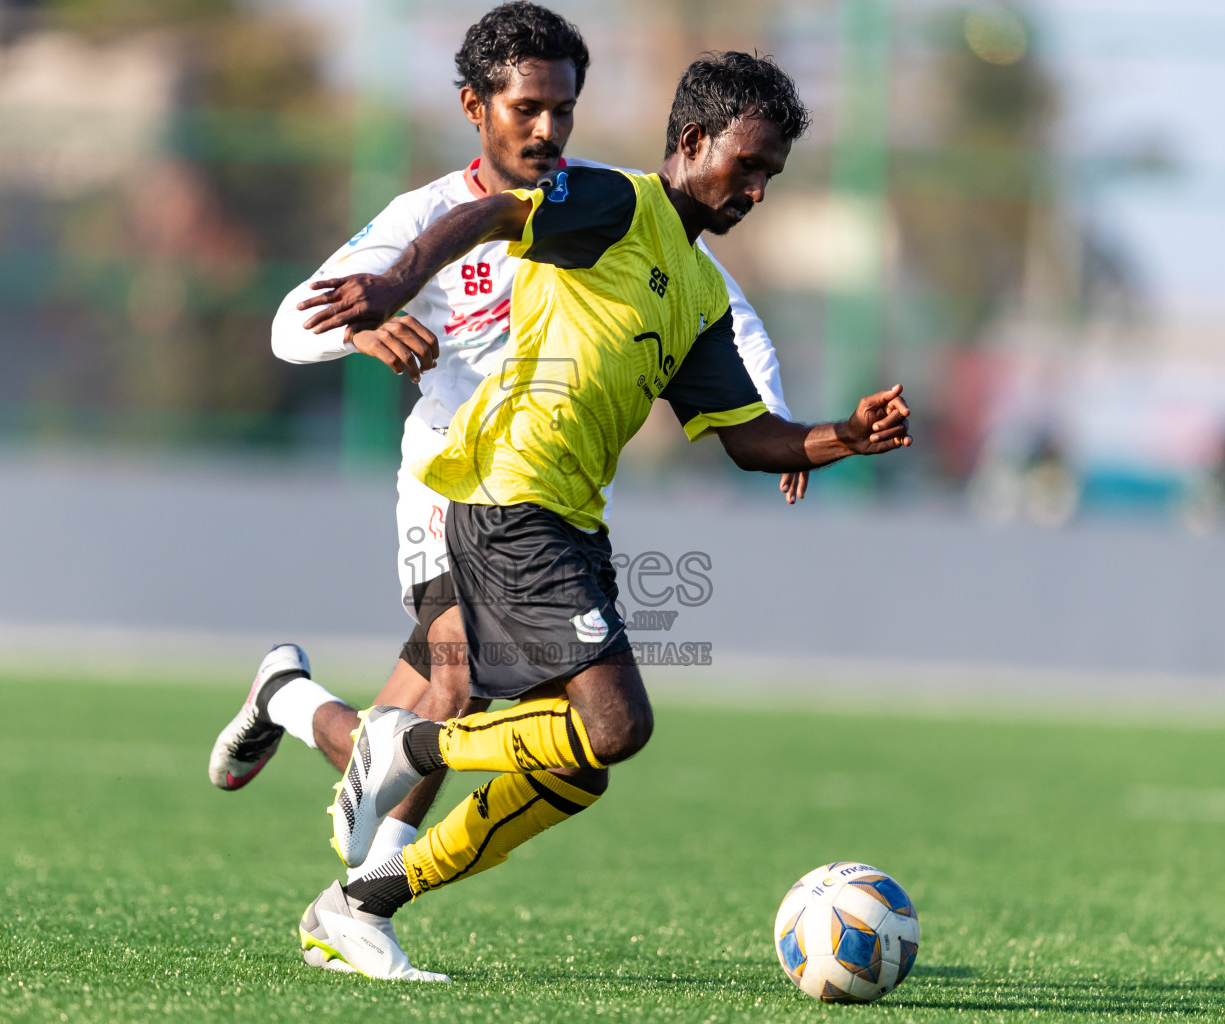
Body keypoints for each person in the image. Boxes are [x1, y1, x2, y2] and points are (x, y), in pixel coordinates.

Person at [291, 51, 913, 981]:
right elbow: (493, 213)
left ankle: (360, 904)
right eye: (747, 165)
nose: (756, 191)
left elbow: (750, 439)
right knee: (619, 726)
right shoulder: (616, 203)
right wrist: (388, 284)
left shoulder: (699, 292)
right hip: (510, 496)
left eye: (771, 177)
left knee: (574, 769)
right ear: (693, 142)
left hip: (570, 521)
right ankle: (403, 741)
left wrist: (843, 437)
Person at [208, 0, 804, 923]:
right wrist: (364, 331)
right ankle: (361, 909)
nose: (547, 127)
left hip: (538, 489)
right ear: (473, 108)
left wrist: (782, 418)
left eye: (562, 108)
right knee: (451, 698)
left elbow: (719, 300)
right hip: (449, 483)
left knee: (435, 723)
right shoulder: (429, 216)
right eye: (527, 107)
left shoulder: (592, 204)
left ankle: (288, 703)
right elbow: (293, 322)